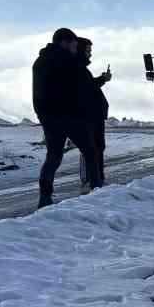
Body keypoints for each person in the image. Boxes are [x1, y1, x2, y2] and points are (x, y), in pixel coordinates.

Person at [31, 27, 101, 208]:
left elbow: (38, 95)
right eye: (74, 44)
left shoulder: (40, 61)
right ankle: (97, 189)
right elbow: (84, 87)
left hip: (50, 119)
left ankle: (44, 198)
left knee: (53, 158)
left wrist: (43, 117)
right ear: (64, 42)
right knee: (90, 152)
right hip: (72, 118)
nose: (76, 47)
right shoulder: (69, 61)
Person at [74, 37, 111, 193]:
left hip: (94, 115)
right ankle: (92, 180)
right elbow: (86, 88)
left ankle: (98, 178)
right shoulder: (76, 66)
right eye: (88, 51)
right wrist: (103, 79)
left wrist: (102, 79)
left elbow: (89, 86)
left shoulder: (80, 67)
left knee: (97, 147)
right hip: (88, 116)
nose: (90, 54)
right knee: (91, 148)